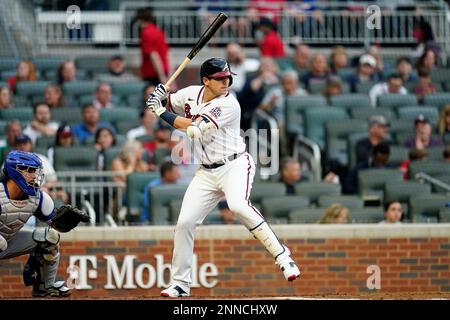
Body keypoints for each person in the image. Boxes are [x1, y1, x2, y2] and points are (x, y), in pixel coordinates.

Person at [146, 57, 301, 297]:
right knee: (185, 223)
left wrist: (159, 111)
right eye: (220, 78)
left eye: (228, 77)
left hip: (234, 165)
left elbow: (194, 130)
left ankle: (282, 255)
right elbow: (170, 100)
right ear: (206, 80)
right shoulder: (189, 93)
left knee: (238, 206)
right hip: (206, 172)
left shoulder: (230, 104)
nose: (226, 81)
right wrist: (160, 93)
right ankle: (180, 284)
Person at [0, 150, 89, 297]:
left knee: (50, 238)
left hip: (9, 240)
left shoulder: (38, 198)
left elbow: (55, 224)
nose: (34, 175)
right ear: (14, 172)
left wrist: (63, 222)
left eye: (35, 171)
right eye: (29, 170)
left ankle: (45, 286)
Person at [136, 8, 170, 85]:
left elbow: (153, 55)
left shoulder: (146, 33)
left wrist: (162, 77)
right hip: (163, 70)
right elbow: (167, 54)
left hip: (153, 73)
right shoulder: (158, 31)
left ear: (140, 19)